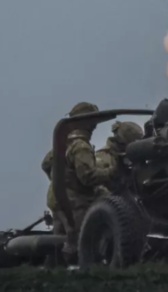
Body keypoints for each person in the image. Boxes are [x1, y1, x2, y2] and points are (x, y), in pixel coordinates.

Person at [42, 101, 114, 263]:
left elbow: (46, 164)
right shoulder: (80, 146)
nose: (95, 127)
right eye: (93, 122)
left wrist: (59, 182)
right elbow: (88, 177)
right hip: (75, 203)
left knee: (58, 244)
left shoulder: (62, 144)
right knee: (81, 243)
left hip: (57, 201)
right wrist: (111, 173)